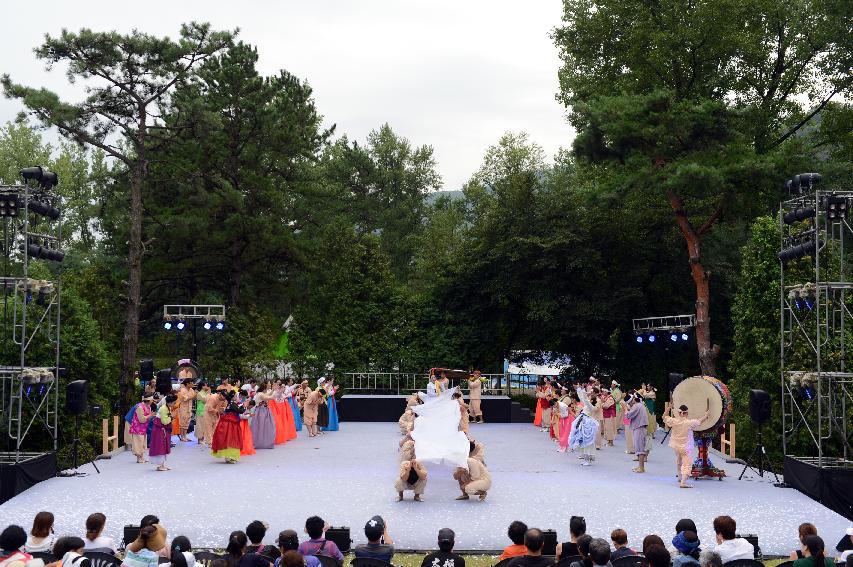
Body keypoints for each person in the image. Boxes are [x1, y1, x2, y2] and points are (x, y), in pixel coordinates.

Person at [662, 403, 709, 488]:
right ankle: (683, 482)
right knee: (687, 464)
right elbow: (699, 421)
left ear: (679, 413)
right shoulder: (689, 423)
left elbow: (664, 417)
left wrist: (669, 408)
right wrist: (706, 416)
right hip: (686, 447)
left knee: (679, 460)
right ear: (686, 413)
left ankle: (680, 477)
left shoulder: (674, 421)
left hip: (676, 445)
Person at [569, 387, 601, 465]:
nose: (590, 396)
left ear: (592, 401)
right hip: (583, 420)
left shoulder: (591, 407)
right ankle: (585, 458)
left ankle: (587, 459)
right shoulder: (588, 405)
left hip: (588, 422)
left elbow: (585, 401)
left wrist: (585, 393)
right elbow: (582, 399)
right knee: (583, 439)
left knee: (588, 440)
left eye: (591, 398)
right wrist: (579, 390)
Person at [211, 391, 244, 463]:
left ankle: (229, 456)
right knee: (231, 439)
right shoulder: (232, 404)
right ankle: (230, 457)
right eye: (235, 396)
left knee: (228, 439)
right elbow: (240, 411)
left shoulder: (230, 403)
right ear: (232, 397)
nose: (236, 397)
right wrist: (245, 405)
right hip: (231, 423)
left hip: (229, 422)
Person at [625, 394, 649, 473]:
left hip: (639, 427)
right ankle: (640, 466)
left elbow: (628, 415)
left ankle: (641, 468)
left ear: (633, 400)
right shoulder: (640, 405)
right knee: (638, 447)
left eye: (630, 403)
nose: (630, 405)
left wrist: (625, 409)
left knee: (639, 447)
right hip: (639, 427)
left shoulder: (636, 406)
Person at [150, 394, 174, 471]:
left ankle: (162, 464)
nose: (174, 404)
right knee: (160, 446)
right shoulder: (164, 409)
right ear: (169, 403)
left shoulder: (167, 408)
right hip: (160, 430)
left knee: (163, 446)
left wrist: (170, 418)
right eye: (173, 402)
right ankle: (160, 465)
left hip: (162, 429)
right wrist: (171, 418)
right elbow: (164, 422)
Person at [130, 394, 154, 463]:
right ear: (148, 400)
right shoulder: (139, 407)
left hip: (144, 427)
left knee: (143, 442)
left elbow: (147, 418)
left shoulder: (148, 406)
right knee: (138, 443)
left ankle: (142, 457)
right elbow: (141, 419)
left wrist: (150, 416)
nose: (153, 401)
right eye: (152, 400)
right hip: (137, 427)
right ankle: (138, 458)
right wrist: (150, 415)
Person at [251, 385, 277, 450]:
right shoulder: (260, 394)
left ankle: (262, 442)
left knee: (263, 427)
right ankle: (261, 443)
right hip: (261, 412)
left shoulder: (260, 393)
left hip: (263, 411)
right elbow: (269, 397)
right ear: (263, 389)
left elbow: (268, 394)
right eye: (266, 389)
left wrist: (273, 390)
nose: (267, 390)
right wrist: (275, 393)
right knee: (262, 426)